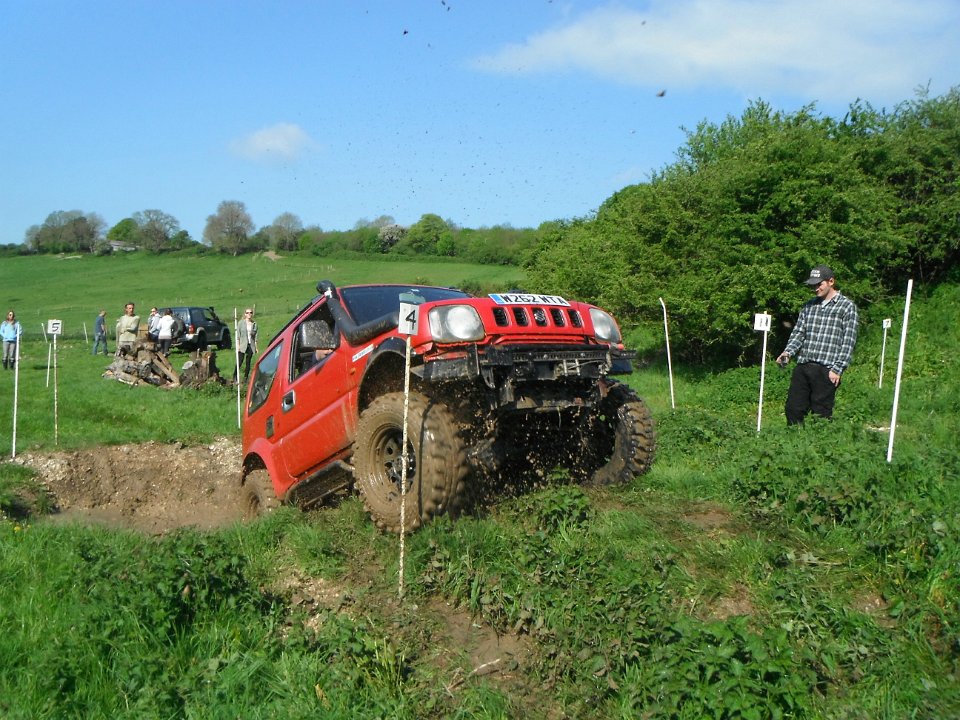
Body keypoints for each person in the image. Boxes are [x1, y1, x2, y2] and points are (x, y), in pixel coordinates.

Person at [776, 265, 859, 425]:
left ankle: (818, 444)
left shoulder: (847, 307)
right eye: (813, 285)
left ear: (831, 281)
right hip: (804, 365)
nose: (815, 288)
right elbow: (799, 333)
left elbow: (848, 341)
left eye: (819, 284)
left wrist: (838, 368)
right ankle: (794, 443)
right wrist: (787, 352)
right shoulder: (809, 306)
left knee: (820, 413)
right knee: (793, 409)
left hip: (827, 369)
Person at [235, 308, 259, 382]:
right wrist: (238, 346)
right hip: (243, 344)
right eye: (247, 313)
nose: (249, 314)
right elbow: (238, 335)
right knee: (240, 361)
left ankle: (245, 378)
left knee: (248, 362)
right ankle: (235, 376)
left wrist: (256, 347)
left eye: (250, 313)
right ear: (245, 314)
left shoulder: (254, 324)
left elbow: (255, 337)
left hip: (250, 345)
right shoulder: (241, 323)